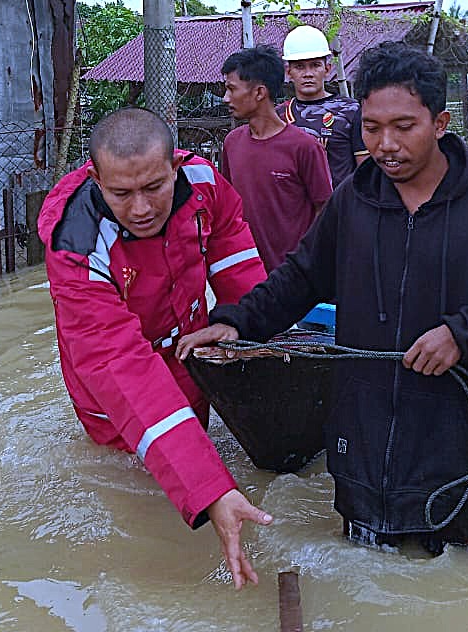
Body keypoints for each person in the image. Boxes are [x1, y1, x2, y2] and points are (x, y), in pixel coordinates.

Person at [179, 41, 468, 555]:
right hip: (363, 439)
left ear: (440, 123)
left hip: (457, 445)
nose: (386, 145)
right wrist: (236, 322)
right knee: (366, 572)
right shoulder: (354, 199)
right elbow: (301, 277)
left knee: (450, 578)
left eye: (404, 127)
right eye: (372, 128)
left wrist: (464, 336)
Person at [37, 108, 273, 590]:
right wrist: (210, 491)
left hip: (187, 346)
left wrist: (245, 327)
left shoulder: (204, 183)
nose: (141, 208)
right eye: (122, 194)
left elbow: (234, 250)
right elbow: (118, 365)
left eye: (154, 187)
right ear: (95, 179)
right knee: (134, 484)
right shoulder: (76, 245)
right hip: (111, 383)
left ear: (176, 166)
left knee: (197, 431)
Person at [219, 46, 332, 273]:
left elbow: (325, 209)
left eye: (231, 89)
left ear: (259, 93)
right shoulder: (232, 143)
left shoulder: (304, 147)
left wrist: (308, 263)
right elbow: (227, 205)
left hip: (293, 276)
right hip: (246, 271)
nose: (225, 98)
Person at [278, 25, 368, 186]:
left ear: (327, 69)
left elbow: (366, 170)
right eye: (299, 66)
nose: (308, 74)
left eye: (315, 65)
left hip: (341, 201)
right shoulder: (279, 116)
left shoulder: (351, 111)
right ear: (288, 72)